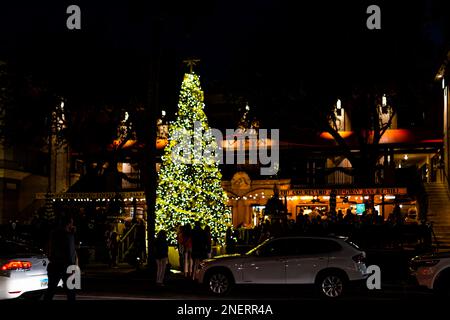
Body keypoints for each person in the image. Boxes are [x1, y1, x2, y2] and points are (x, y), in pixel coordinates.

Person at [44, 214, 78, 301]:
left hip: (54, 265)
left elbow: (48, 248)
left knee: (50, 290)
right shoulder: (69, 235)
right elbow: (70, 252)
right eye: (71, 223)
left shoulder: (53, 233)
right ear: (69, 224)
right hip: (67, 266)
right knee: (71, 292)